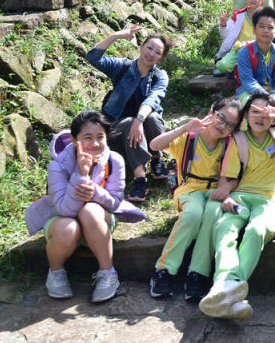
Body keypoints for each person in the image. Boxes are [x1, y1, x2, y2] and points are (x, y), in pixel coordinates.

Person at [198, 92, 275, 319]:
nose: (260, 116)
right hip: (241, 198)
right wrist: (226, 198)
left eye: (266, 112)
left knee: (256, 230)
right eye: (255, 111)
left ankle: (224, 289)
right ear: (245, 115)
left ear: (274, 117)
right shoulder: (238, 140)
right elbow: (227, 178)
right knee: (224, 231)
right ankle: (232, 297)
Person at [24, 110, 144, 303]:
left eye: (100, 137)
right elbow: (63, 209)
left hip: (98, 221)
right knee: (67, 228)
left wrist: (94, 193)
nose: (95, 144)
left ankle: (107, 274)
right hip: (63, 221)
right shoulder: (57, 166)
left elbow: (114, 202)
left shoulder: (114, 161)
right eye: (87, 138)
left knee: (90, 210)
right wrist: (80, 174)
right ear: (74, 140)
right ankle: (56, 274)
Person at [149, 98, 241, 301]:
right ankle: (163, 270)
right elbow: (155, 145)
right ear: (211, 112)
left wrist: (227, 187)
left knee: (212, 213)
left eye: (229, 125)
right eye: (220, 117)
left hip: (215, 192)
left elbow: (235, 177)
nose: (222, 125)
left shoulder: (230, 145)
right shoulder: (189, 137)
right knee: (192, 214)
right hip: (188, 190)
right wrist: (184, 128)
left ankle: (197, 274)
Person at [86, 25, 171, 203]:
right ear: (141, 47)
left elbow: (153, 99)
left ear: (161, 58)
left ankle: (157, 160)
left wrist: (138, 121)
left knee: (153, 117)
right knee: (128, 124)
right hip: (117, 130)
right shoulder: (122, 67)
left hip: (143, 128)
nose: (151, 54)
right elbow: (93, 58)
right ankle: (141, 178)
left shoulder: (160, 76)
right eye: (149, 48)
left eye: (157, 52)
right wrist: (116, 36)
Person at [235, 7, 275, 106]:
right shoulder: (244, 52)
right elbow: (247, 81)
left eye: (270, 27)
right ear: (254, 30)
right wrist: (266, 97)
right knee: (254, 107)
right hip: (250, 92)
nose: (265, 30)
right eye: (261, 26)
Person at [214, 0, 265, 77]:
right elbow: (224, 35)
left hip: (257, 51)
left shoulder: (266, 16)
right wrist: (223, 25)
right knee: (222, 66)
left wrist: (249, 44)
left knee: (259, 68)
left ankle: (236, 71)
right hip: (238, 50)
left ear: (262, 0)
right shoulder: (239, 15)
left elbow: (268, 37)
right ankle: (237, 70)